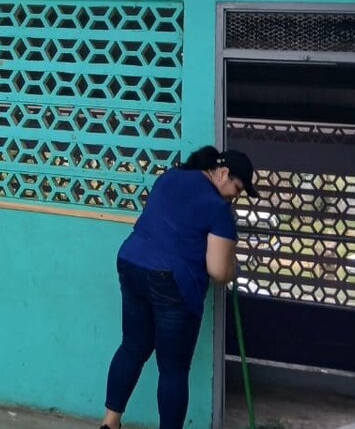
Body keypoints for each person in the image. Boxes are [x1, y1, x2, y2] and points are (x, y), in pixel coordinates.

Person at [99, 145, 256, 429]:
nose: (237, 195)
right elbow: (219, 271)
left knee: (132, 347)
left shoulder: (170, 177)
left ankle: (109, 424)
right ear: (222, 173)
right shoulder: (218, 208)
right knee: (173, 369)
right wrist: (235, 268)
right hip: (170, 280)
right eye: (238, 186)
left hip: (131, 262)